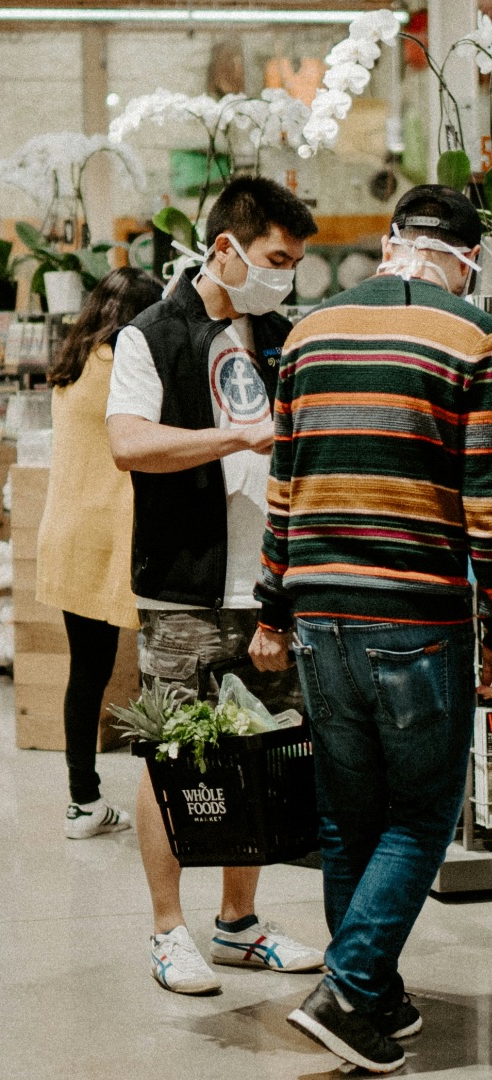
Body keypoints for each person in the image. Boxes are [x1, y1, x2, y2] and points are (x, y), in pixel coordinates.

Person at [250, 186, 492, 1075]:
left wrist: (272, 607)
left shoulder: (309, 332)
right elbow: (485, 505)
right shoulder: (473, 336)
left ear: (391, 244)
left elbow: (286, 485)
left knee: (348, 815)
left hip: (317, 614)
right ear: (468, 257)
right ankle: (349, 987)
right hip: (415, 616)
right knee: (423, 811)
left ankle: (378, 996)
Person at [105, 176, 325, 995]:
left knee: (259, 753)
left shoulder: (282, 336)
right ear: (226, 249)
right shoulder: (151, 335)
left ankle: (239, 923)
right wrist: (232, 436)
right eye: (275, 258)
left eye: (296, 262)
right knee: (176, 757)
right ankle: (169, 931)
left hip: (268, 585)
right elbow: (129, 443)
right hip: (186, 584)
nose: (285, 275)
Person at [36, 266, 161, 839]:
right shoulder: (124, 367)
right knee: (156, 667)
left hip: (68, 531)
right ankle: (167, 799)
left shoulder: (73, 364)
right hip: (113, 534)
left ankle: (82, 800)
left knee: (86, 671)